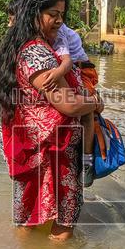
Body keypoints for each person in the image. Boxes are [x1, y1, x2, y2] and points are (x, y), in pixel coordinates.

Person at [0, 0, 103, 241]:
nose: (59, 21)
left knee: (28, 217)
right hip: (52, 152)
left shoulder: (29, 48)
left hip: (36, 149)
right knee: (63, 223)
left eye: (62, 14)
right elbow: (69, 105)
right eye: (53, 13)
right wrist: (95, 103)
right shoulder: (37, 53)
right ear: (33, 14)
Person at [39, 23, 98, 186]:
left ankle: (87, 162)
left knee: (86, 111)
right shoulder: (41, 35)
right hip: (73, 70)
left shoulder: (59, 32)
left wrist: (56, 73)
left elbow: (67, 61)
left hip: (83, 71)